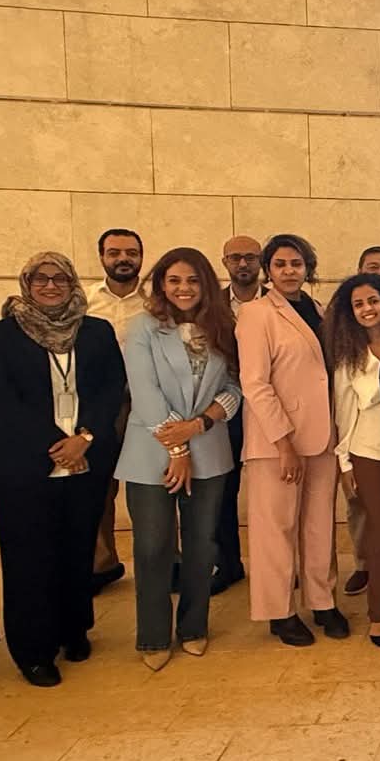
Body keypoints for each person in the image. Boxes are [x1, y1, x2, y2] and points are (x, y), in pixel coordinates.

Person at [0, 252, 127, 688]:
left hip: (86, 459)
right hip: (24, 464)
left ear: (72, 282)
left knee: (77, 549)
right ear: (27, 283)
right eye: (40, 278)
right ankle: (33, 651)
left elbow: (111, 389)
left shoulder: (95, 330)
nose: (50, 285)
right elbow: (1, 398)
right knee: (29, 559)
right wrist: (56, 445)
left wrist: (85, 438)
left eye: (60, 277)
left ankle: (74, 629)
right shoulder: (0, 335)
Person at [120, 248, 242, 669]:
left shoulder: (223, 326)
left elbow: (234, 387)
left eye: (192, 280)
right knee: (153, 546)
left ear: (205, 284)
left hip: (209, 447)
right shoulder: (143, 327)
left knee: (202, 545)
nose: (184, 288)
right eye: (174, 280)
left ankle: (194, 627)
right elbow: (144, 391)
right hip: (150, 451)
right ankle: (153, 636)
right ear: (161, 284)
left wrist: (200, 425)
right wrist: (177, 448)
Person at [238, 233, 347, 646]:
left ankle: (322, 601)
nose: (289, 271)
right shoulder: (256, 314)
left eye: (296, 264)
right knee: (276, 528)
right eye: (280, 264)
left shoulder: (318, 311)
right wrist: (283, 442)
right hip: (276, 442)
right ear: (268, 269)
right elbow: (255, 383)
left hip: (322, 437)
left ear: (308, 268)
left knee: (320, 525)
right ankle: (279, 611)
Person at [326, 272, 380, 646]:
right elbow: (344, 412)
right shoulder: (349, 355)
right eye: (358, 304)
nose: (367, 309)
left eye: (373, 301)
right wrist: (345, 464)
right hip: (368, 452)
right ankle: (378, 614)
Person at [86, 228, 147, 593]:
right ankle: (102, 564)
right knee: (99, 486)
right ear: (102, 257)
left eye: (131, 253)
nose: (123, 259)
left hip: (146, 402)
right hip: (100, 405)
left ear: (141, 257)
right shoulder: (85, 300)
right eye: (114, 253)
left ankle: (160, 563)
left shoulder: (156, 301)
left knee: (151, 487)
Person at [211, 234, 266, 594]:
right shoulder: (210, 304)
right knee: (221, 491)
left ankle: (274, 567)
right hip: (223, 407)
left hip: (269, 407)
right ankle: (228, 564)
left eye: (250, 257)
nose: (243, 264)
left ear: (260, 262)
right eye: (235, 258)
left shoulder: (282, 302)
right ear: (224, 262)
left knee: (269, 493)